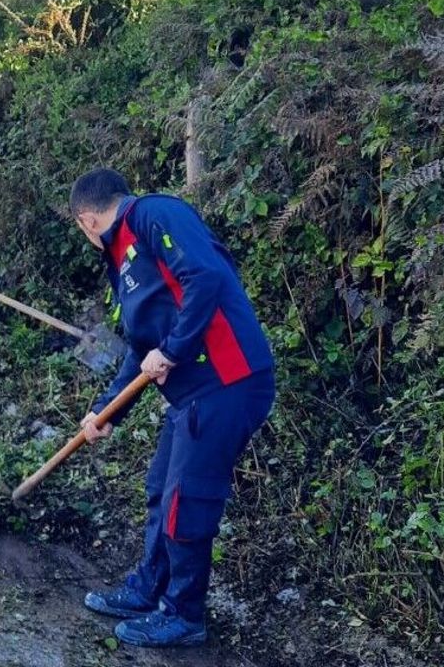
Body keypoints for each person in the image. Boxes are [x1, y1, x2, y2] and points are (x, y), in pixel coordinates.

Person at [68, 167, 275, 648]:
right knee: (161, 490)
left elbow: (204, 276)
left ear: (86, 220)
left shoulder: (154, 214)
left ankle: (184, 614)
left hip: (228, 381)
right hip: (192, 394)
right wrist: (105, 412)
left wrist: (175, 349)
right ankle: (148, 590)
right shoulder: (120, 260)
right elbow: (142, 350)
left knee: (187, 497)